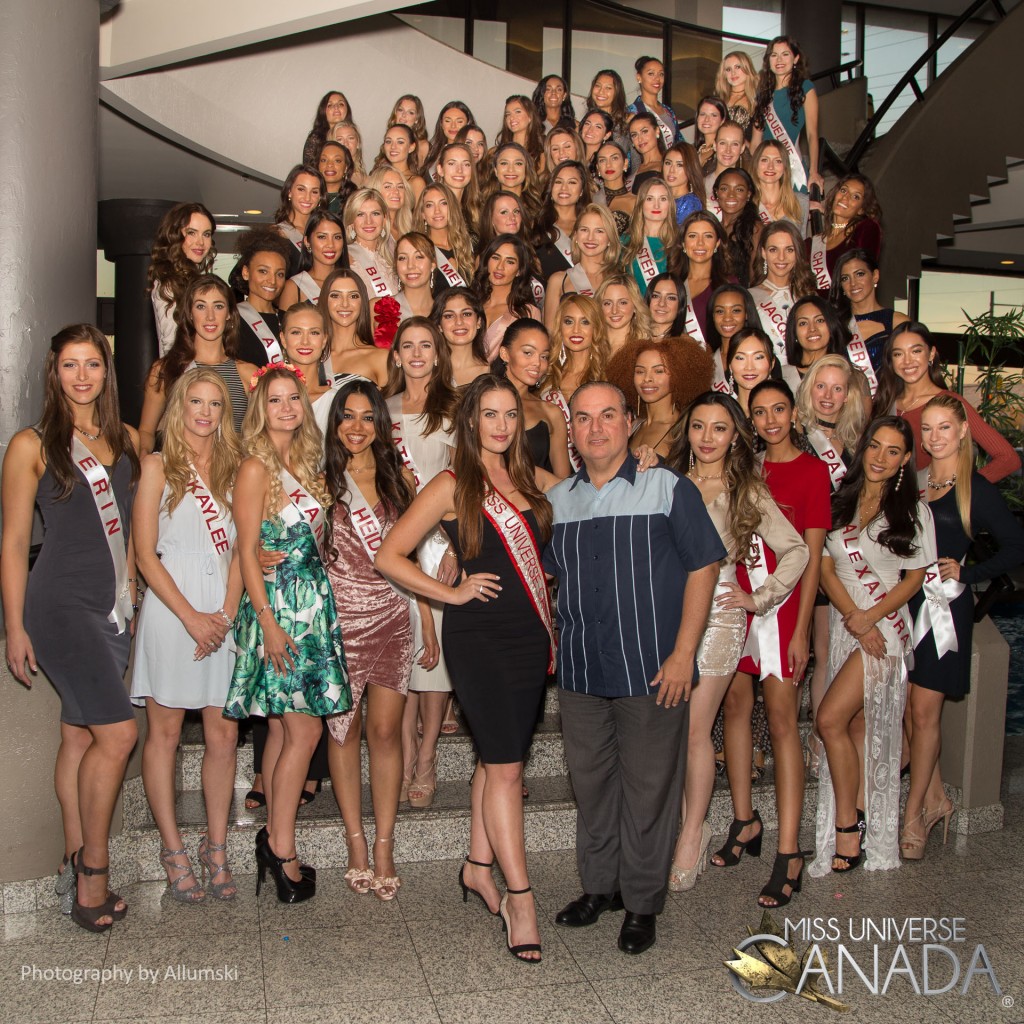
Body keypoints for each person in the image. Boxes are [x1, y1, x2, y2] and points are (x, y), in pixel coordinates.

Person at [377, 374, 560, 963]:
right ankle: (520, 898)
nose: (503, 426)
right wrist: (447, 595)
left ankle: (477, 866)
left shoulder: (530, 482)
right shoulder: (454, 483)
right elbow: (389, 554)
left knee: (499, 756)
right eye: (490, 415)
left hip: (529, 636)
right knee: (507, 767)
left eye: (510, 415)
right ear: (472, 421)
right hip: (479, 638)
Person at [545, 381, 724, 955]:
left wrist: (682, 653)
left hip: (652, 669)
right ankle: (600, 889)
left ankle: (642, 902)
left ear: (629, 421)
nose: (595, 428)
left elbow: (704, 567)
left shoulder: (668, 486)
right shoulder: (556, 501)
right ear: (571, 431)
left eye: (607, 416)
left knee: (649, 791)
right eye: (583, 419)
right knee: (593, 788)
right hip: (579, 671)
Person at [2, 324, 141, 931]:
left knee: (82, 736)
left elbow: (135, 532)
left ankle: (69, 854)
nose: (81, 376)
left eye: (92, 365)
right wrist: (14, 626)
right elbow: (11, 543)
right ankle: (92, 875)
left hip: (112, 607)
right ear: (54, 373)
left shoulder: (128, 439)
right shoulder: (31, 444)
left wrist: (132, 594)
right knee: (118, 735)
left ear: (106, 373)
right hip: (58, 605)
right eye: (69, 366)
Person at [664, 393, 806, 894]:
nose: (707, 437)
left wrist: (759, 598)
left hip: (721, 618)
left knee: (695, 729)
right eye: (698, 426)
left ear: (734, 436)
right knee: (671, 727)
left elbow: (797, 549)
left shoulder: (747, 489)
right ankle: (680, 824)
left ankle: (691, 833)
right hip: (669, 616)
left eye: (719, 428)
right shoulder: (667, 481)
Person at [223, 364, 351, 903]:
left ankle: (274, 841)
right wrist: (268, 623)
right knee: (305, 732)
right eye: (274, 400)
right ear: (260, 408)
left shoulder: (306, 462)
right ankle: (282, 848)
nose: (285, 408)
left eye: (293, 399)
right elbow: (247, 550)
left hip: (312, 606)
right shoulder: (254, 467)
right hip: (279, 611)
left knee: (282, 732)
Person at [130, 368, 244, 903]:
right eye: (195, 401)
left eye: (215, 403)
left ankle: (216, 847)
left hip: (223, 613)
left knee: (223, 735)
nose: (205, 412)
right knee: (167, 735)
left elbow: (243, 551)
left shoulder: (236, 468)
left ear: (225, 412)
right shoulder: (156, 466)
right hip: (171, 613)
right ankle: (172, 850)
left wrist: (223, 613)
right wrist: (192, 618)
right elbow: (144, 553)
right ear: (179, 407)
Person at [713, 379, 828, 907]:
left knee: (782, 722)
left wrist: (802, 628)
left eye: (779, 409)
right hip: (740, 601)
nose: (770, 420)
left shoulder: (812, 471)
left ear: (794, 412)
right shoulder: (744, 469)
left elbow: (810, 552)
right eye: (759, 412)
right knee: (735, 708)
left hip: (781, 611)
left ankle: (789, 851)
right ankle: (744, 822)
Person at [322, 380, 434, 899]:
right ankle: (356, 844)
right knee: (343, 733)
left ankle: (386, 844)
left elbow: (411, 561)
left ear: (381, 427)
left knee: (386, 734)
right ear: (334, 422)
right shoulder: (317, 479)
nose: (357, 427)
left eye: (369, 417)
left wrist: (427, 621)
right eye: (348, 415)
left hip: (392, 617)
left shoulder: (401, 479)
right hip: (339, 622)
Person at [810, 416, 934, 875]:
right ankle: (856, 814)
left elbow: (915, 578)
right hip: (849, 622)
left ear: (905, 461)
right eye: (875, 447)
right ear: (864, 449)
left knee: (828, 718)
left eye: (893, 451)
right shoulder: (839, 500)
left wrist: (870, 619)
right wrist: (854, 619)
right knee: (854, 725)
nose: (881, 457)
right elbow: (824, 568)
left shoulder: (913, 512)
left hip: (885, 631)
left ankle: (849, 826)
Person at [902, 395, 1024, 858]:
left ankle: (915, 815)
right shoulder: (912, 483)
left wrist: (967, 573)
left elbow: (1015, 546)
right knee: (911, 707)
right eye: (927, 430)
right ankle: (935, 798)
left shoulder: (978, 488)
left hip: (943, 611)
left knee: (925, 712)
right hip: (906, 605)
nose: (934, 437)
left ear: (961, 433)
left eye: (943, 429)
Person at [384, 318, 461, 808]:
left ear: (438, 354)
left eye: (425, 346)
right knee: (405, 648)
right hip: (392, 540)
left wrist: (456, 543)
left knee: (437, 662)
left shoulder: (454, 409)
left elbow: (464, 478)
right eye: (407, 346)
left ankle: (427, 753)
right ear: (395, 355)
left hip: (440, 542)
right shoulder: (381, 410)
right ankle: (407, 745)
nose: (416, 353)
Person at [875, 322, 1021, 482]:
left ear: (931, 354)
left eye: (916, 351)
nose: (907, 361)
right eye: (898, 354)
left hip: (928, 504)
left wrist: (957, 489)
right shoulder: (884, 401)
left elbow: (1008, 459)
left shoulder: (949, 403)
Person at [138, 274, 259, 454]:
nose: (210, 316)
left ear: (229, 314)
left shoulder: (248, 373)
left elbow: (261, 434)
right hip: (183, 476)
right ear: (189, 314)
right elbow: (146, 432)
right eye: (201, 306)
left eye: (218, 306)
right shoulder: (166, 370)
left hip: (233, 475)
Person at [606, 337, 714, 457]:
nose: (647, 378)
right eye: (640, 371)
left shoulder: (684, 431)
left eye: (658, 371)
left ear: (679, 375)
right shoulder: (631, 426)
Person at [496, 319, 571, 476]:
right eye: (528, 353)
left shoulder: (551, 413)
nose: (537, 363)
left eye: (544, 356)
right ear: (505, 354)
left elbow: (562, 484)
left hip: (539, 497)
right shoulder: (479, 402)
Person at [754, 35, 822, 194]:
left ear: (796, 58)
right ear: (768, 60)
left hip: (793, 169)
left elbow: (812, 135)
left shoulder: (806, 88)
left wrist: (813, 171)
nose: (779, 59)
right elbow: (756, 141)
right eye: (774, 55)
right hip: (765, 170)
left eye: (785, 54)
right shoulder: (762, 95)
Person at [147, 202, 217, 357]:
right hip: (184, 373)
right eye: (191, 233)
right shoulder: (169, 284)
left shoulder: (195, 280)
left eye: (206, 234)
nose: (200, 242)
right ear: (174, 235)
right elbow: (171, 343)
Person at [543, 203, 621, 329]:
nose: (590, 237)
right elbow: (550, 332)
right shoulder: (557, 280)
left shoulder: (620, 281)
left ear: (609, 239)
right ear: (576, 236)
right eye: (584, 230)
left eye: (599, 231)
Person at [749, 220, 817, 363]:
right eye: (774, 249)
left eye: (789, 250)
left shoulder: (810, 296)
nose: (781, 257)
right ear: (763, 252)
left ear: (797, 253)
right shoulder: (749, 298)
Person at [831, 249, 908, 372]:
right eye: (845, 278)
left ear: (875, 276)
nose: (853, 283)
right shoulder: (834, 324)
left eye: (860, 274)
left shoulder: (897, 322)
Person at [807, 175, 883, 294]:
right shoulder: (810, 244)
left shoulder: (866, 230)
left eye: (855, 197)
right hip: (812, 310)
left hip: (845, 310)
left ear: (861, 209)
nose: (845, 197)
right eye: (843, 190)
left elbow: (862, 279)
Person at [229, 227, 293, 366]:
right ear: (246, 272)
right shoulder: (230, 318)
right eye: (263, 271)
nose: (272, 281)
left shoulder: (288, 319)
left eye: (279, 274)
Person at [473, 234, 542, 360]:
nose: (500, 267)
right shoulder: (469, 304)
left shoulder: (527, 312)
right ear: (486, 261)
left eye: (510, 261)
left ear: (520, 270)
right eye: (495, 258)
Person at [669, 212, 733, 346]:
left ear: (717, 243)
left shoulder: (729, 285)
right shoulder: (670, 284)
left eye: (708, 236)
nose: (700, 243)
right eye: (692, 236)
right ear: (683, 243)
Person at [318, 269, 389, 388]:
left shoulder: (381, 358)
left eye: (353, 296)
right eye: (335, 296)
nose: (345, 304)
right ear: (325, 301)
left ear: (362, 302)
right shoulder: (313, 356)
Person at [532, 160, 591, 281]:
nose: (564, 188)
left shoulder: (591, 225)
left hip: (585, 297)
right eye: (558, 182)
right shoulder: (534, 225)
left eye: (572, 182)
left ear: (581, 191)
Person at [413, 181, 475, 292]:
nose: (437, 211)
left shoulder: (468, 245)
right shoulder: (418, 252)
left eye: (443, 203)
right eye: (429, 205)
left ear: (452, 207)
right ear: (423, 214)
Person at [278, 209, 346, 308]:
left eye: (337, 237)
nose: (331, 245)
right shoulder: (293, 287)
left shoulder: (351, 281)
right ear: (307, 242)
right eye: (322, 237)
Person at [343, 189, 400, 304]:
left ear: (384, 219)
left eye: (375, 213)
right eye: (360, 214)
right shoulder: (344, 257)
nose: (368, 221)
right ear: (351, 221)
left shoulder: (395, 254)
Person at [621, 177, 675, 292]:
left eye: (663, 199)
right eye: (650, 199)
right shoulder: (624, 242)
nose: (656, 205)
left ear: (670, 204)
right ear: (641, 203)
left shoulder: (678, 244)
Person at [433, 287, 490, 387]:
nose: (459, 321)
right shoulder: (427, 371)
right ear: (439, 326)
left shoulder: (492, 375)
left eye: (466, 314)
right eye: (449, 316)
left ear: (478, 322)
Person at [273, 165, 326, 272]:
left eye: (314, 192)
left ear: (320, 197)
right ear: (289, 192)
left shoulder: (327, 232)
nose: (307, 198)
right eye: (301, 189)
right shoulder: (276, 233)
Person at [713, 169, 760, 287]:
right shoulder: (712, 228)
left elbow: (757, 277)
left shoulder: (754, 229)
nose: (731, 195)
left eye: (739, 189)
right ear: (716, 193)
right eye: (725, 188)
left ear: (748, 194)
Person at [627, 56, 681, 150]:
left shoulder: (668, 111)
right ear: (639, 77)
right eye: (651, 74)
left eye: (661, 74)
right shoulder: (632, 112)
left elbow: (679, 142)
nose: (657, 79)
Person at [595, 274, 654, 358]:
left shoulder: (644, 349)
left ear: (635, 306)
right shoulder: (590, 344)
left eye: (622, 302)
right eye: (607, 303)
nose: (614, 311)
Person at [751, 139, 803, 229]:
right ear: (755, 164)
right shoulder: (746, 204)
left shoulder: (801, 202)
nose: (770, 167)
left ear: (785, 167)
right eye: (764, 160)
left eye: (778, 161)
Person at [493, 95, 546, 175]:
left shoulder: (541, 152)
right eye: (508, 114)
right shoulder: (496, 152)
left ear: (530, 116)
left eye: (517, 112)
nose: (512, 118)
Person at [375, 122, 427, 202]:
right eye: (388, 141)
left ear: (411, 147)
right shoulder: (377, 177)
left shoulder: (416, 182)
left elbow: (418, 213)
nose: (393, 147)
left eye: (400, 142)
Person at [585, 69, 631, 157]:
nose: (601, 92)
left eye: (608, 88)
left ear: (617, 92)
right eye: (598, 86)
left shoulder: (626, 122)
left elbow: (635, 159)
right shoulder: (586, 121)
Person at [593, 141, 636, 233]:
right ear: (598, 168)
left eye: (614, 158)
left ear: (625, 163)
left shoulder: (636, 201)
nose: (608, 165)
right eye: (602, 160)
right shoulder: (590, 198)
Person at [394, 231, 438, 320]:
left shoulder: (445, 314)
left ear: (432, 265)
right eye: (402, 258)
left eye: (419, 257)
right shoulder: (378, 308)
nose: (410, 265)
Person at [425, 101, 475, 178]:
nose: (453, 126)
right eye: (448, 121)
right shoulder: (432, 151)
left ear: (468, 123)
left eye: (459, 121)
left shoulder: (474, 152)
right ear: (441, 123)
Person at [302, 90, 351, 167]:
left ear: (347, 109)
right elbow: (309, 170)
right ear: (323, 111)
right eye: (330, 105)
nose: (336, 107)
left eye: (341, 104)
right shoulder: (316, 138)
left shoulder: (353, 136)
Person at [717, 51, 759, 136]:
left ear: (747, 67)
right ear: (724, 74)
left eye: (738, 67)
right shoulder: (718, 100)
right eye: (728, 69)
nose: (733, 73)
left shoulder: (758, 99)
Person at [662, 143, 705, 224]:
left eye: (679, 165)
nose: (671, 170)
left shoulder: (690, 203)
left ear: (690, 168)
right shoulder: (660, 197)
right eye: (668, 163)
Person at [627, 112, 668, 193]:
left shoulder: (667, 165)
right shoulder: (633, 170)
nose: (640, 139)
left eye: (644, 131)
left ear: (657, 131)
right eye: (634, 135)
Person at [388, 94, 430, 167]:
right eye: (400, 110)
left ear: (417, 119)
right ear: (395, 114)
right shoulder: (389, 141)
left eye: (410, 112)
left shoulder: (423, 146)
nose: (404, 115)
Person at [318, 140, 358, 216]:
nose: (329, 164)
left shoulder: (355, 199)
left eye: (337, 161)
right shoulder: (308, 197)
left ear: (346, 167)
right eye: (324, 160)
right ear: (317, 165)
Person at [693, 96, 728, 172]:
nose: (707, 119)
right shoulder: (692, 150)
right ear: (697, 118)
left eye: (713, 115)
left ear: (722, 120)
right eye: (702, 114)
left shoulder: (725, 152)